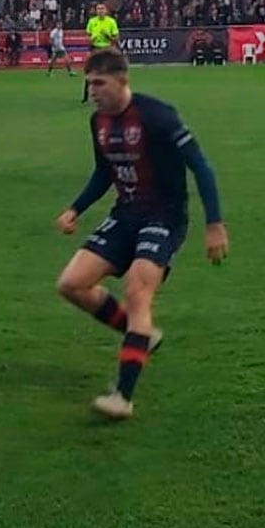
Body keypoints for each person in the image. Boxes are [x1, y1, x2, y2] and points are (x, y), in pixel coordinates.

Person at [54, 49, 228, 421]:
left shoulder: (158, 115)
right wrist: (75, 208)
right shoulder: (98, 121)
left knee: (137, 289)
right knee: (71, 284)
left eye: (99, 83)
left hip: (164, 217)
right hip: (126, 214)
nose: (94, 91)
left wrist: (215, 223)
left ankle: (123, 395)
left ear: (122, 80)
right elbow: (104, 172)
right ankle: (142, 336)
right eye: (90, 84)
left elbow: (201, 166)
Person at [81, 3, 120, 102]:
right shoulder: (92, 21)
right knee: (90, 72)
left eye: (102, 9)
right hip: (95, 48)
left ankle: (111, 94)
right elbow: (87, 36)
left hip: (107, 48)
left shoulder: (111, 22)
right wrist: (90, 39)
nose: (100, 11)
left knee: (109, 73)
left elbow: (116, 39)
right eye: (98, 9)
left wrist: (108, 36)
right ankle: (86, 95)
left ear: (106, 11)